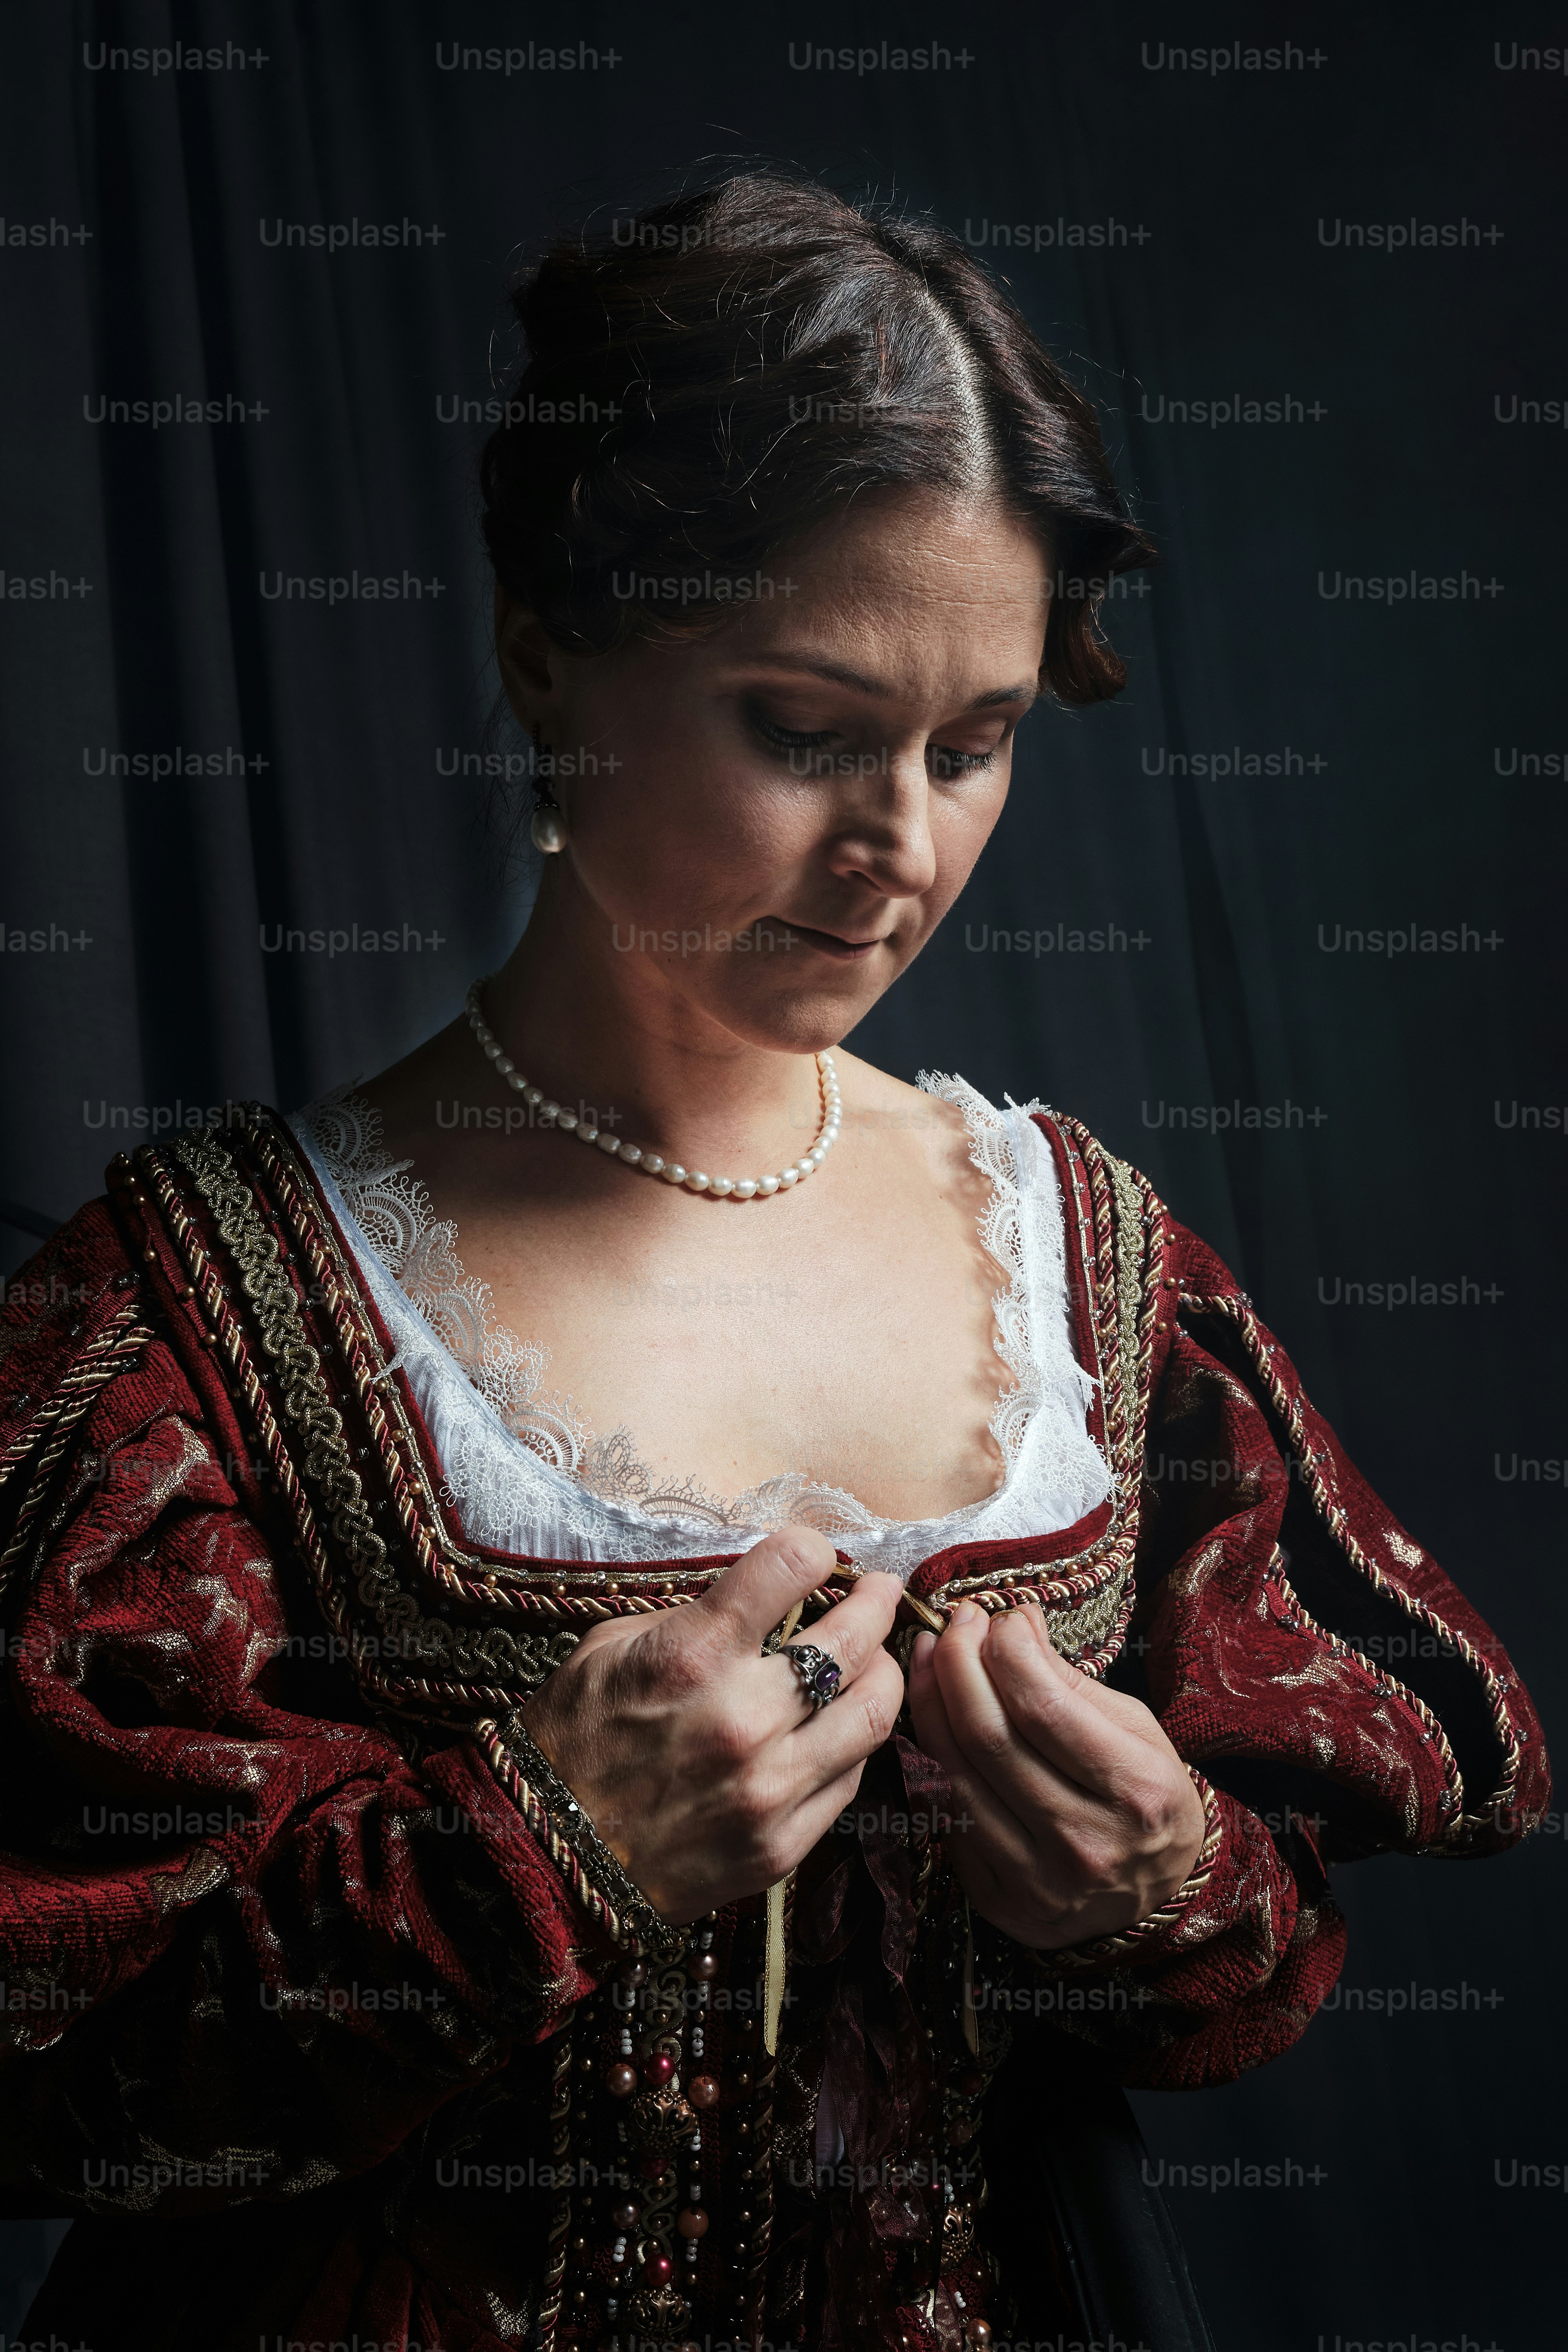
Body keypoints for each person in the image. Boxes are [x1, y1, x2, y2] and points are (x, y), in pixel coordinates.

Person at [0, 173, 1547, 2352]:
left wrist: (1159, 1887)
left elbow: (1257, 1975)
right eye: (807, 731)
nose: (899, 847)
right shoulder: (202, 1312)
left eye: (974, 743)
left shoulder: (1087, 1260)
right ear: (551, 655)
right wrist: (537, 1843)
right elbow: (42, 2078)